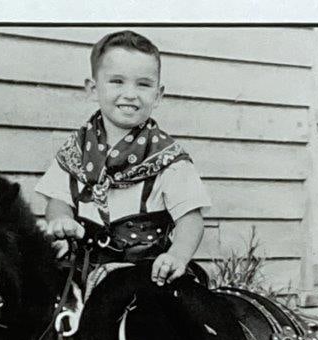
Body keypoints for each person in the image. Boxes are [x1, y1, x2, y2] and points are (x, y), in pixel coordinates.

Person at [35, 29, 212, 288]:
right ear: (93, 89)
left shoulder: (168, 159)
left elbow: (190, 219)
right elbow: (58, 200)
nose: (130, 94)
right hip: (81, 266)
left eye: (143, 84)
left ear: (158, 95)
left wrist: (176, 255)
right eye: (117, 81)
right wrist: (62, 220)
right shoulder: (75, 151)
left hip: (142, 272)